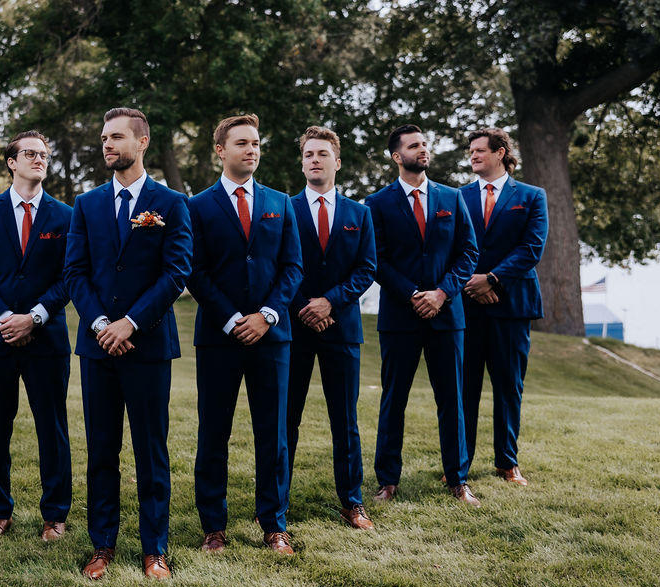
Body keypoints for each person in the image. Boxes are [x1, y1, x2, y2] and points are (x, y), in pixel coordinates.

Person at [63, 107, 192, 580]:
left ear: (142, 143)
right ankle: (102, 545)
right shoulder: (87, 203)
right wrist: (101, 323)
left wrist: (131, 323)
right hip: (98, 347)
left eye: (115, 137)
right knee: (101, 449)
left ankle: (154, 548)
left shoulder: (171, 204)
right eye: (103, 138)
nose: (106, 145)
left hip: (148, 346)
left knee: (150, 450)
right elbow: (74, 272)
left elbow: (176, 272)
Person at [187, 114, 303, 555]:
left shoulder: (280, 202)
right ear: (220, 150)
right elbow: (193, 270)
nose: (251, 149)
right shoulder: (196, 207)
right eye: (241, 143)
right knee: (213, 433)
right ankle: (213, 526)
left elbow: (292, 266)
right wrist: (233, 318)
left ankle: (274, 524)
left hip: (272, 339)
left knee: (272, 435)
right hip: (219, 338)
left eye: (256, 142)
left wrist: (268, 315)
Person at [0, 130, 72, 539]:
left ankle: (55, 515)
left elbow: (70, 277)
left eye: (44, 154)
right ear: (11, 162)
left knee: (52, 429)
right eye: (30, 153)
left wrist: (36, 317)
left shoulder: (66, 216)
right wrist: (6, 317)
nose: (39, 159)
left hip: (47, 341)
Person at [365, 124, 480, 506]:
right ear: (397, 156)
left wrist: (443, 292)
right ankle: (387, 481)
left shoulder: (452, 196)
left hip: (448, 316)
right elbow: (375, 260)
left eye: (425, 144)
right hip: (400, 316)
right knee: (393, 399)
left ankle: (458, 480)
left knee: (453, 398)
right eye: (415, 146)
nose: (423, 149)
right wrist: (413, 293)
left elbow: (468, 252)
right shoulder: (376, 204)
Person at [287, 126, 376, 529]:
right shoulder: (284, 209)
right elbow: (279, 266)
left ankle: (352, 502)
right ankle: (276, 502)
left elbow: (367, 269)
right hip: (293, 328)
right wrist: (305, 304)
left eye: (322, 154)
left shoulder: (360, 214)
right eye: (308, 155)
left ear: (337, 162)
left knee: (346, 420)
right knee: (286, 419)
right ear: (302, 162)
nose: (315, 160)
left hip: (342, 328)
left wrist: (330, 302)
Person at [460, 127, 548, 486]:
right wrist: (473, 284)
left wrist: (492, 279)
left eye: (480, 150)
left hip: (512, 305)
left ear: (500, 153)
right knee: (464, 387)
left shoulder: (531, 196)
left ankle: (507, 462)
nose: (473, 155)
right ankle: (459, 464)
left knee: (509, 386)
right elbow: (452, 246)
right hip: (466, 304)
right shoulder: (457, 196)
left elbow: (532, 248)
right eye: (471, 151)